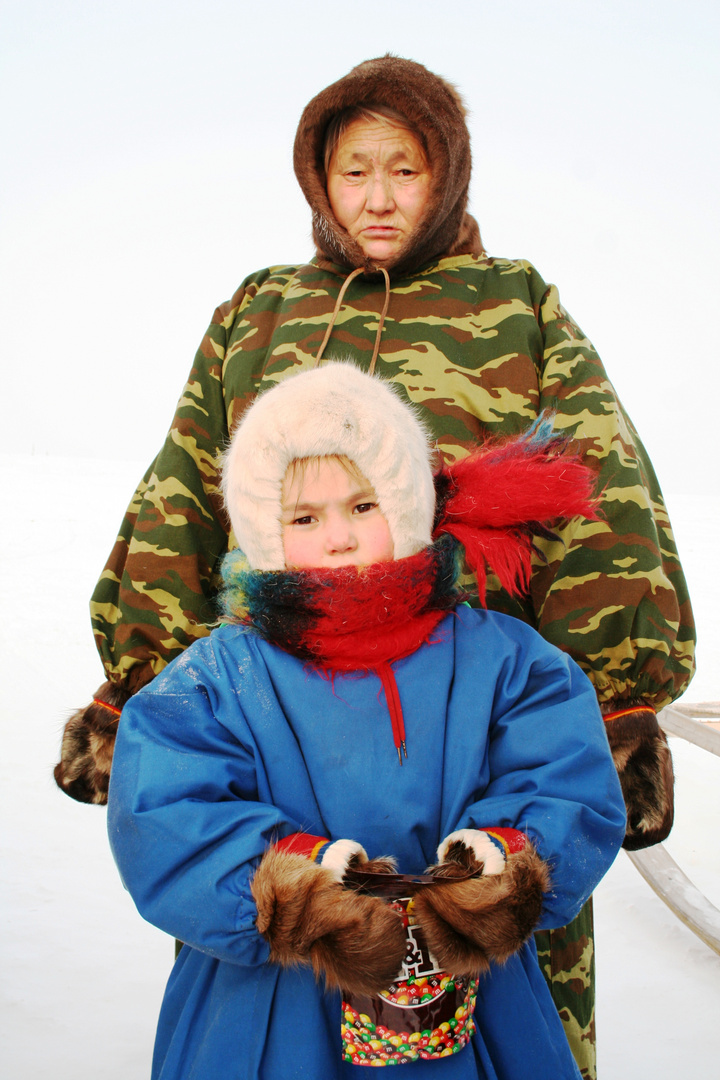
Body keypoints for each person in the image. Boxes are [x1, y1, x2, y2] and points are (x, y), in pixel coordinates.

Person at [55, 56, 695, 1079]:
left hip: (477, 711)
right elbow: (180, 490)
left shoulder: (516, 301)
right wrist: (138, 678)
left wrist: (615, 699)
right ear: (319, 180)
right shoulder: (260, 310)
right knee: (274, 963)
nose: (381, 196)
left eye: (407, 168)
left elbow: (600, 491)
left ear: (449, 174)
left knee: (511, 942)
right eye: (355, 171)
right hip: (286, 688)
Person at [107, 362, 626, 1079]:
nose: (339, 538)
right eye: (304, 518)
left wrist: (506, 856)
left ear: (408, 503)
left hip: (473, 1000)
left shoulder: (505, 660)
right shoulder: (213, 680)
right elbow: (161, 814)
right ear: (264, 528)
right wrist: (290, 885)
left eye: (362, 506)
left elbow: (567, 779)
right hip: (271, 1009)